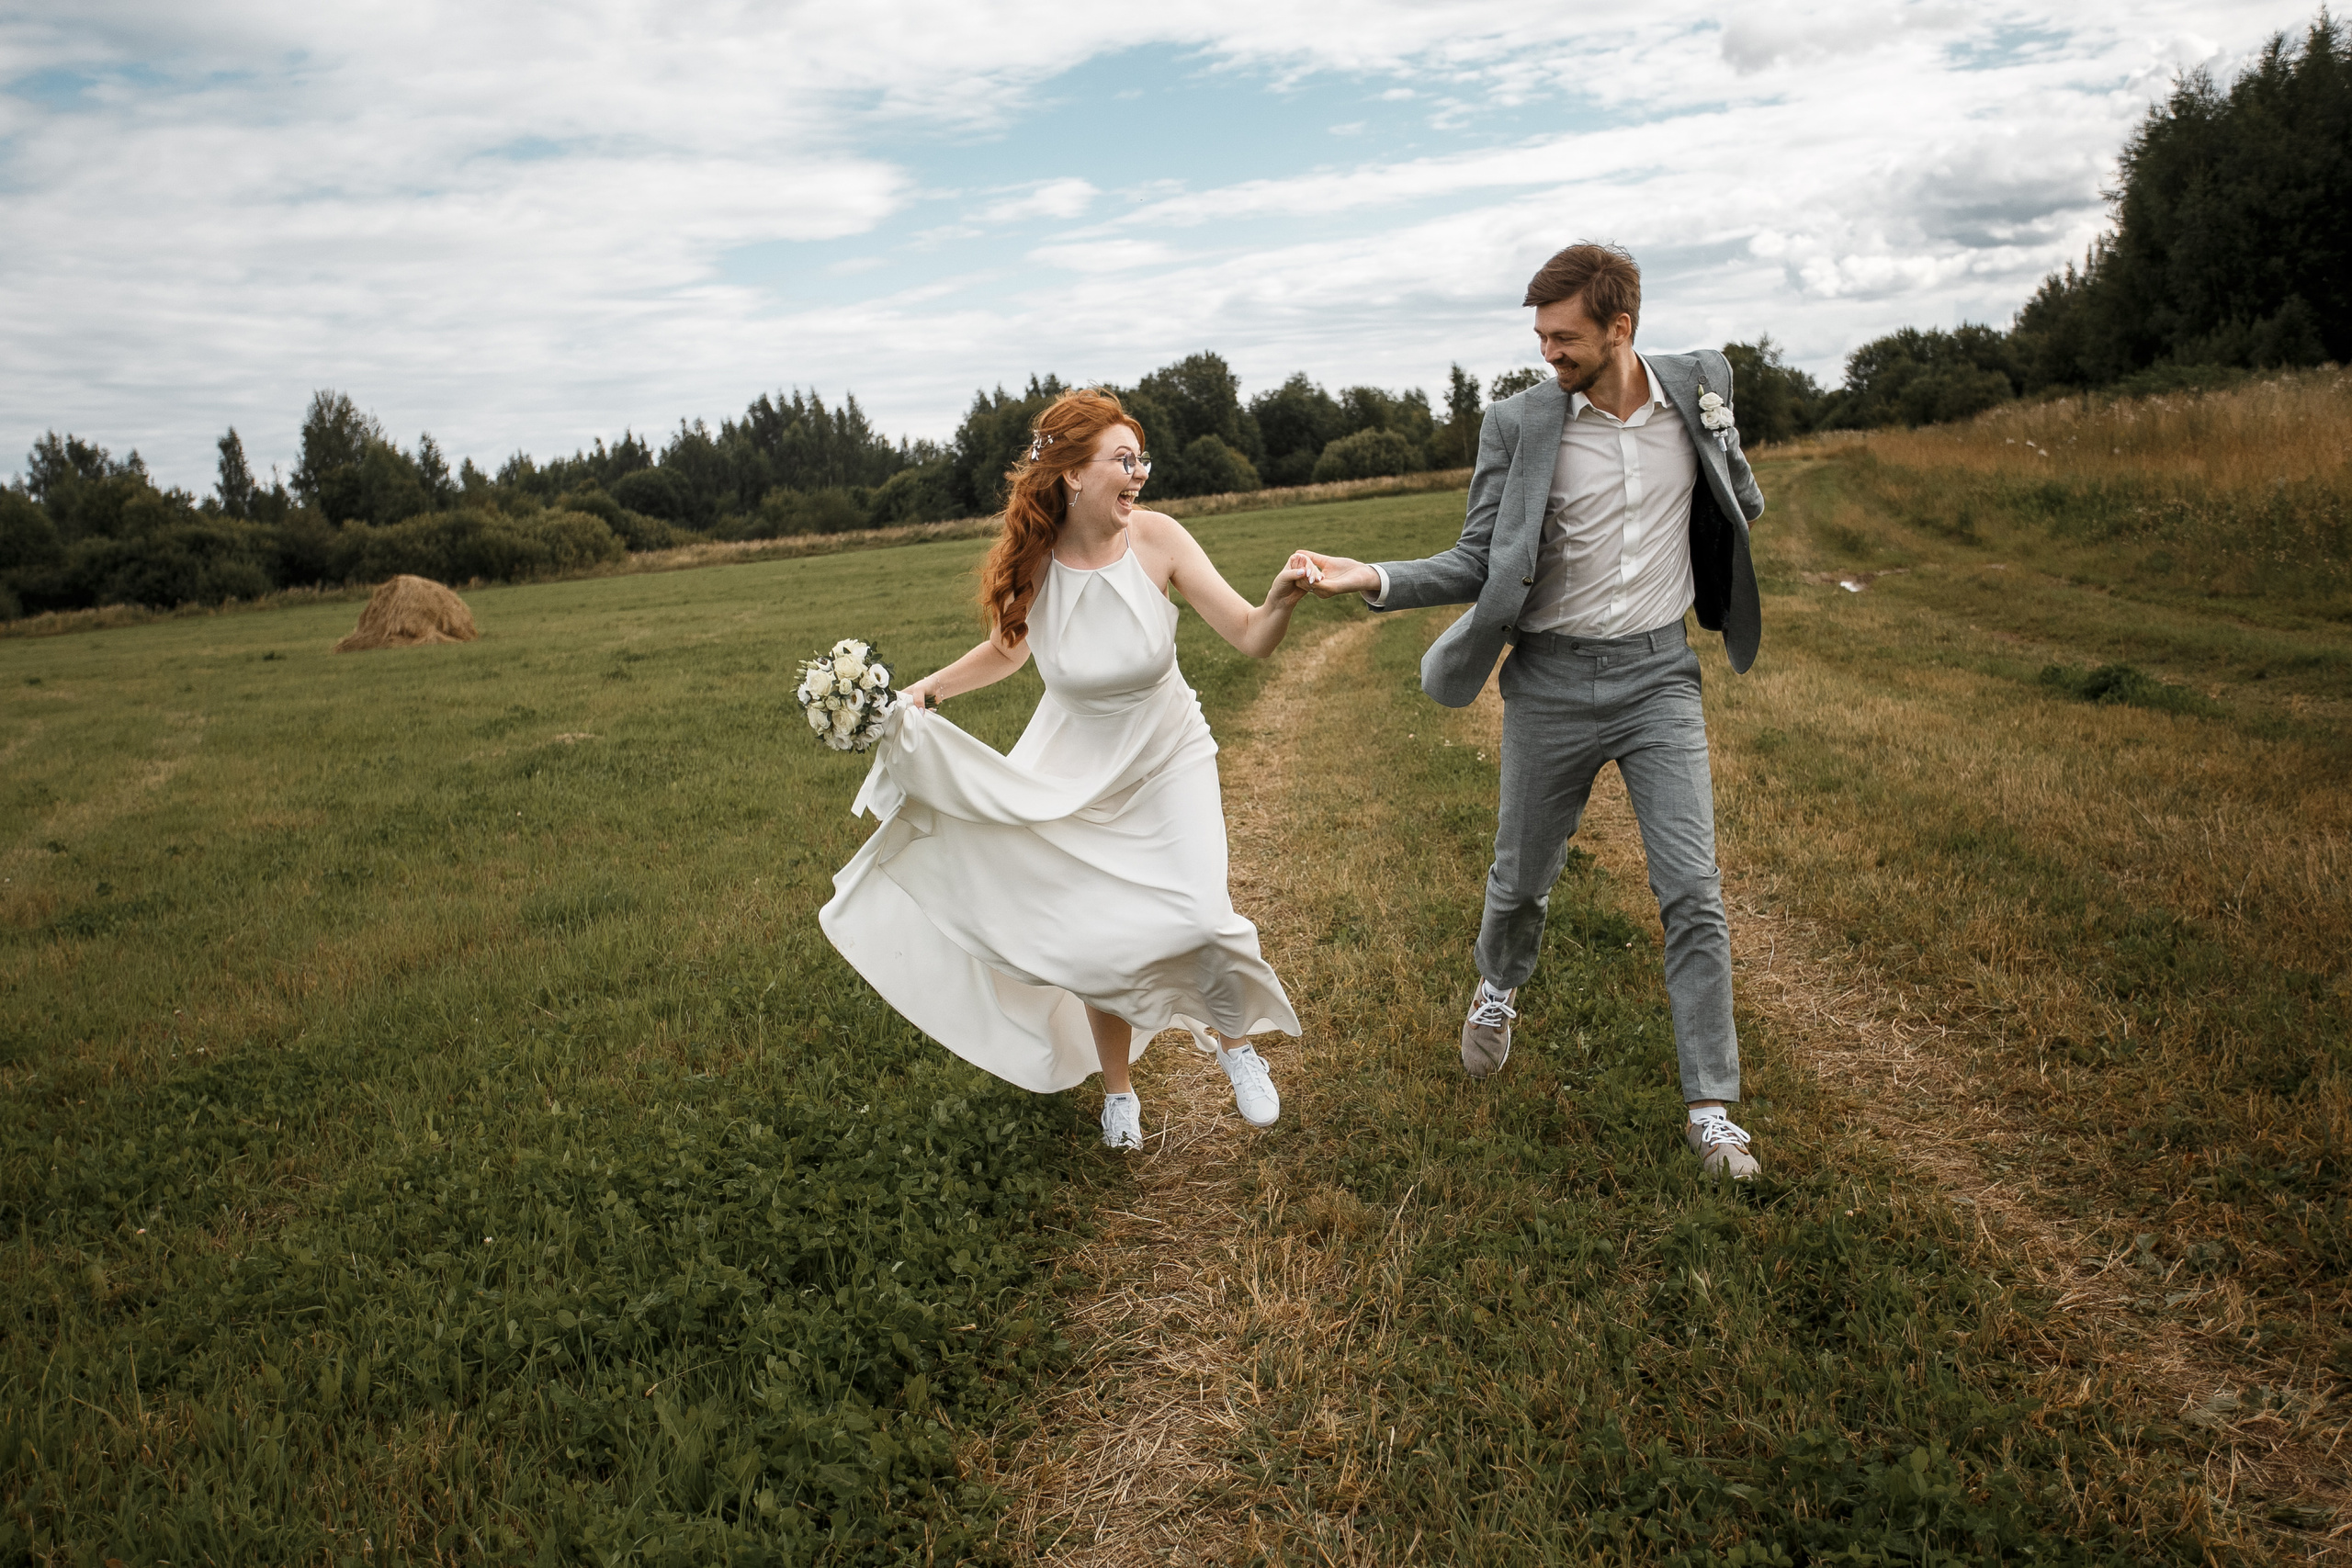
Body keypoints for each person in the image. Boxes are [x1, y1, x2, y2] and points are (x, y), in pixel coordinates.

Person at [1297, 242, 1769, 1179]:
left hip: (1658, 678)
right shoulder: (1518, 423)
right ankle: (1498, 984)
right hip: (1549, 683)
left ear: (1619, 329)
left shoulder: (1702, 385)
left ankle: (1711, 1111)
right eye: (1540, 337)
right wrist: (1376, 576)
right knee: (1520, 884)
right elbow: (1476, 560)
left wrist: (1724, 534)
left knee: (1692, 892)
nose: (1547, 354)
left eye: (1565, 338)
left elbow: (1737, 494)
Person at [820, 388, 1317, 1150]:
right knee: (1096, 934)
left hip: (1169, 756)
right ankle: (1119, 1091)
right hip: (1076, 769)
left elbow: (1251, 635)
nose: (1139, 473)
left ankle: (1234, 1043)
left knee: (1201, 915)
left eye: (1140, 458)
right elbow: (1007, 650)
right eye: (1124, 459)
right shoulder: (1037, 564)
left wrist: (1280, 596)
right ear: (1073, 474)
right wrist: (925, 690)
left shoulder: (1159, 540)